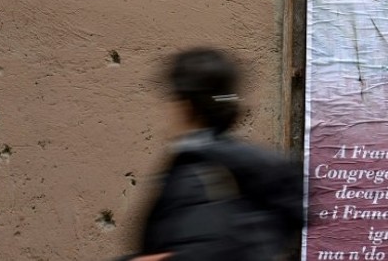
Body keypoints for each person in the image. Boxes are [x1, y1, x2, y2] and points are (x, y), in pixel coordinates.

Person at [117, 47, 303, 261]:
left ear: (186, 106)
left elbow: (202, 251)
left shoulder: (199, 174)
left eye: (172, 97)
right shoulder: (231, 165)